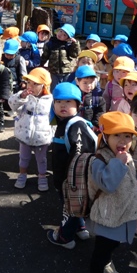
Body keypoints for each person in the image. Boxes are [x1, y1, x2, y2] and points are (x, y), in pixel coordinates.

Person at [87, 111, 137, 273]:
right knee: (101, 251)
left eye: (127, 136)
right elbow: (108, 185)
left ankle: (107, 263)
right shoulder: (98, 160)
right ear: (105, 136)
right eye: (116, 135)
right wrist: (118, 162)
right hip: (106, 217)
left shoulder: (125, 156)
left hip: (122, 214)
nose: (123, 141)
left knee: (113, 245)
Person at [47, 82, 97, 249]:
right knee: (76, 205)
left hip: (72, 181)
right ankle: (80, 227)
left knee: (69, 208)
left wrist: (71, 182)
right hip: (67, 179)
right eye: (58, 101)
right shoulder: (64, 122)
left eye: (68, 101)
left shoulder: (76, 125)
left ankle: (65, 237)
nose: (63, 105)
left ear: (78, 105)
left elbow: (80, 156)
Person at [8, 68, 53, 191]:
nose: (30, 86)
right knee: (24, 157)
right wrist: (21, 96)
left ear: (44, 85)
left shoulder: (51, 100)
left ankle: (42, 176)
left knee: (41, 159)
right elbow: (11, 104)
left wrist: (52, 133)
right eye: (28, 82)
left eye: (35, 84)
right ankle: (22, 174)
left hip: (42, 136)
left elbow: (54, 119)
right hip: (25, 134)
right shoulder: (25, 97)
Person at [40, 23, 81, 89]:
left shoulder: (69, 45)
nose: (61, 34)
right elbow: (45, 56)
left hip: (67, 71)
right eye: (61, 31)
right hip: (54, 71)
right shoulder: (50, 43)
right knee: (54, 88)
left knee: (66, 88)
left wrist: (75, 44)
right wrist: (40, 64)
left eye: (64, 35)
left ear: (68, 38)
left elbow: (75, 54)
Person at [74, 65, 106, 131]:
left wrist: (95, 124)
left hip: (91, 128)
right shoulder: (73, 96)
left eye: (91, 82)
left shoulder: (97, 97)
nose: (88, 85)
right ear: (77, 81)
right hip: (75, 126)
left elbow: (100, 111)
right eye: (85, 83)